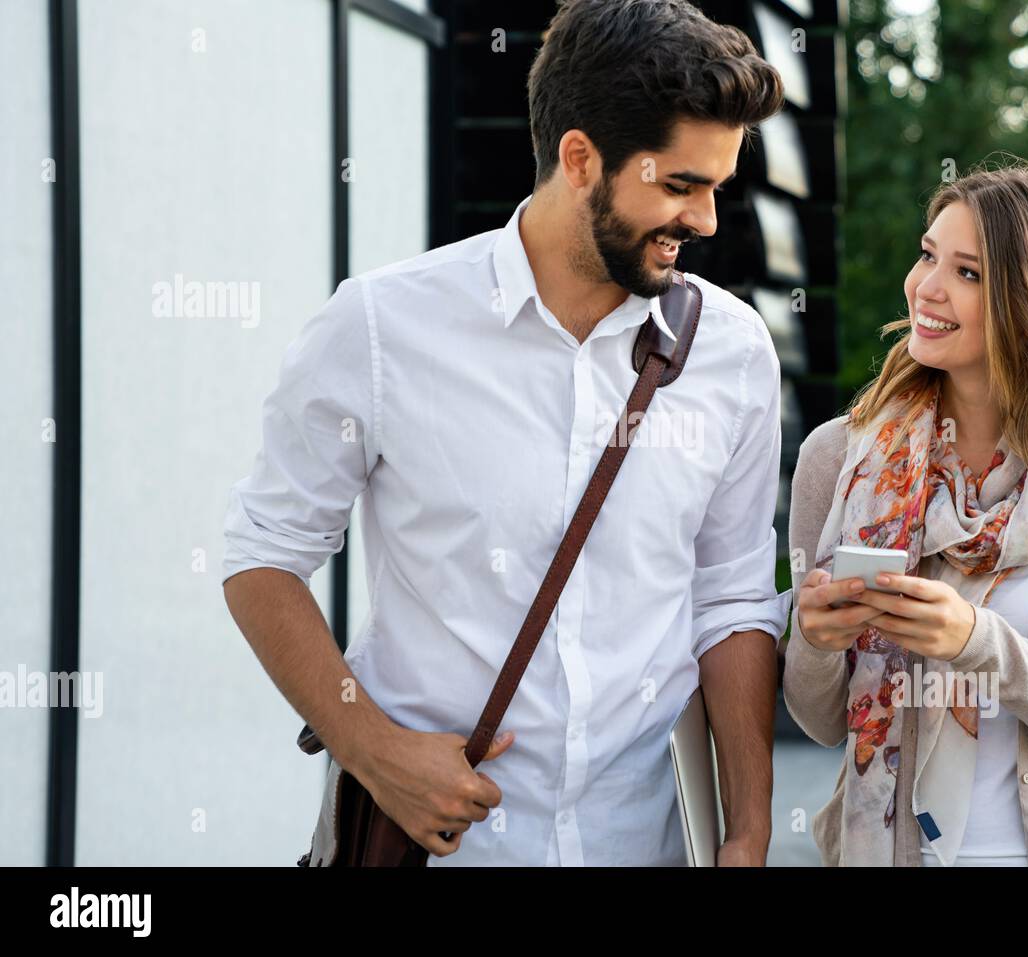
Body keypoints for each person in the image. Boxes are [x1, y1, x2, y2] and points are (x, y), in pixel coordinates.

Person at [221, 0, 789, 866]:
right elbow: (262, 554)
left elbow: (733, 596)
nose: (706, 220)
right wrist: (374, 750)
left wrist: (747, 832)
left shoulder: (736, 350)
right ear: (579, 159)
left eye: (716, 186)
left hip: (646, 843)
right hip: (444, 848)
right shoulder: (381, 325)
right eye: (678, 185)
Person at [783, 160, 1028, 867]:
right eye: (928, 254)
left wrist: (978, 640)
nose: (926, 288)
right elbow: (820, 722)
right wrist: (814, 639)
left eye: (968, 273)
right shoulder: (839, 459)